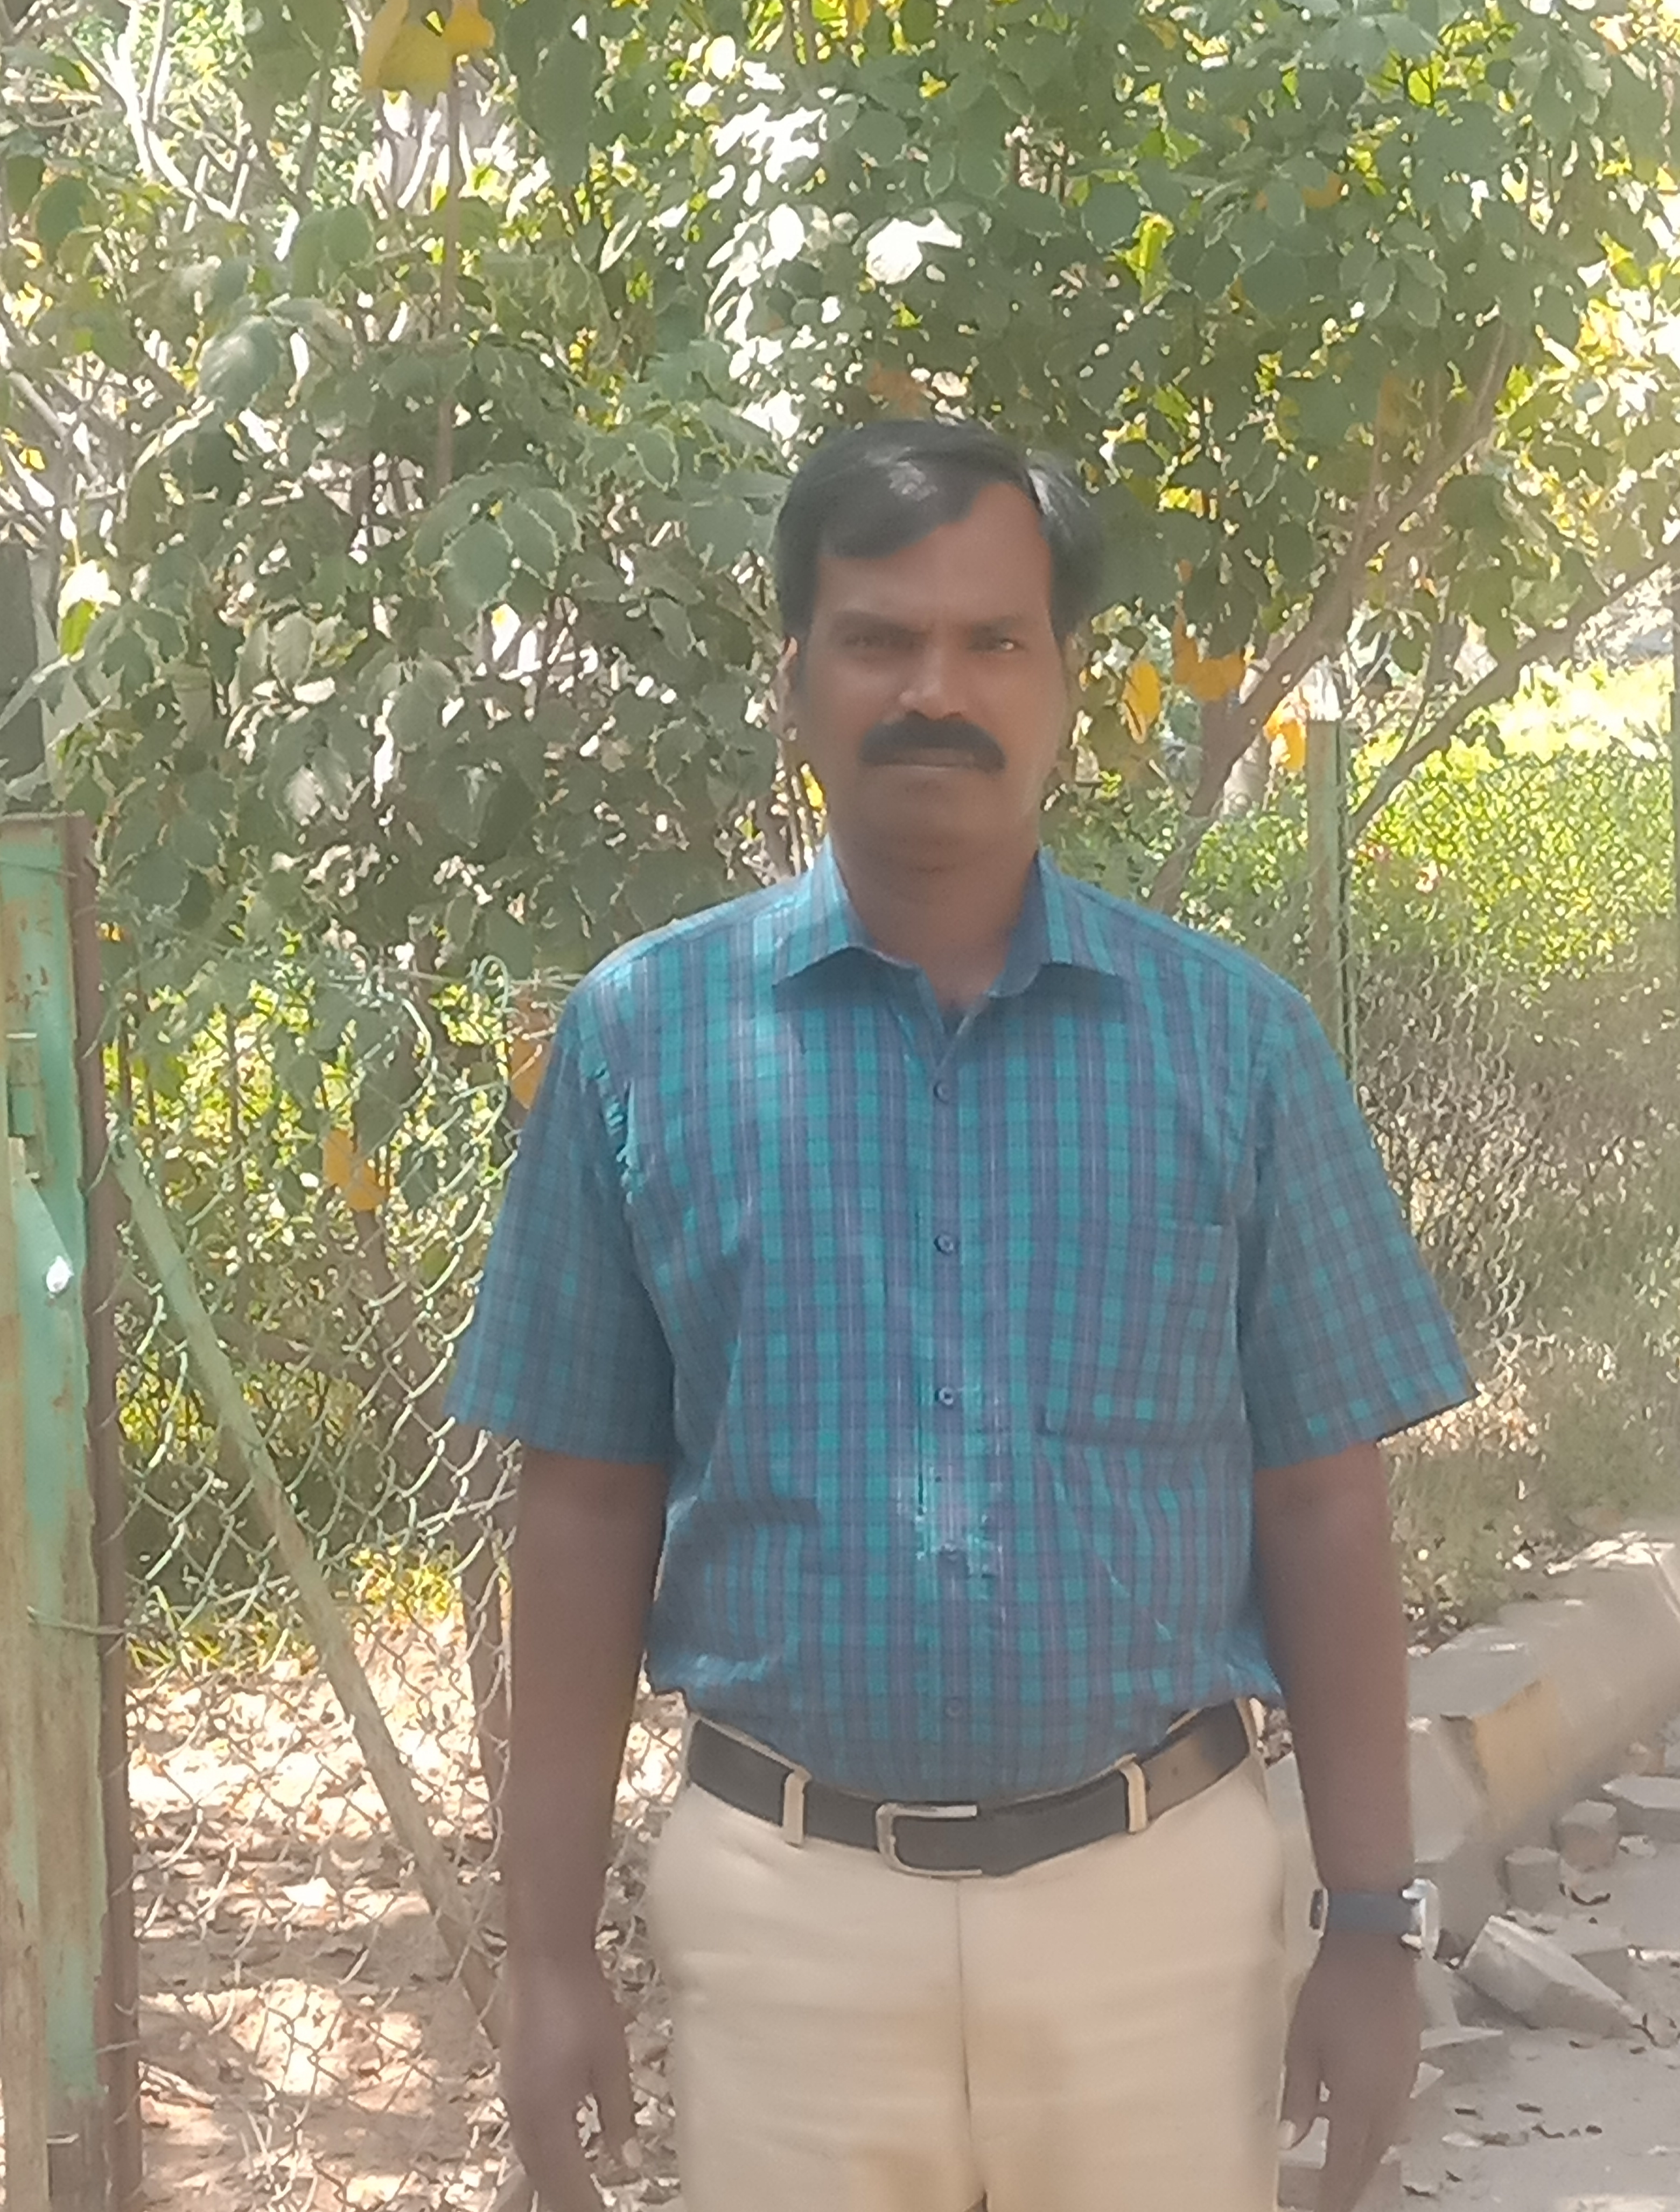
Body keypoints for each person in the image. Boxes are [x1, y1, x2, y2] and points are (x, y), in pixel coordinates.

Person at [447, 419, 1473, 2212]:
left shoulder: (1234, 1048)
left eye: (995, 640)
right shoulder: (641, 1042)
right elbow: (585, 1504)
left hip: (1159, 1914)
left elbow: (1324, 1495)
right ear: (795, 681)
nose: (938, 689)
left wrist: (1375, 1927)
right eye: (880, 639)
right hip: (786, 1921)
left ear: (1068, 684)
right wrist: (543, 1960)